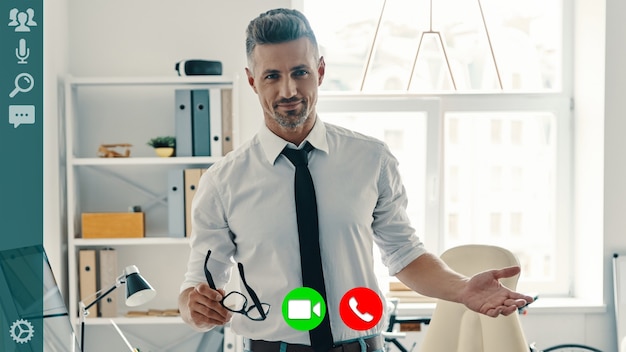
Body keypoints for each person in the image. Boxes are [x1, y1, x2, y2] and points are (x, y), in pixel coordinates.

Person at [178, 7, 534, 352]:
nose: (288, 90)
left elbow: (404, 253)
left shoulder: (371, 159)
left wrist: (462, 288)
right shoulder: (222, 182)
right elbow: (199, 280)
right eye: (272, 75)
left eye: (300, 71)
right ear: (253, 80)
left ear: (320, 70)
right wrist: (193, 308)